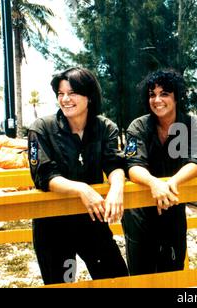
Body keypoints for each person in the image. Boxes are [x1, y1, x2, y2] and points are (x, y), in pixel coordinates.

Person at [28, 67, 128, 284]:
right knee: (62, 282)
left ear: (89, 96)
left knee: (116, 279)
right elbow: (43, 174)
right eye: (61, 94)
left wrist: (117, 188)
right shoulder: (40, 129)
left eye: (72, 93)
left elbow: (114, 163)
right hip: (53, 226)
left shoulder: (105, 127)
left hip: (92, 220)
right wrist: (82, 188)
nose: (65, 99)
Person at [122, 70, 197, 275]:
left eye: (164, 93)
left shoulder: (192, 124)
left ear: (176, 96)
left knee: (173, 271)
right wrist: (154, 183)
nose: (157, 100)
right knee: (142, 275)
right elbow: (133, 165)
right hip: (139, 212)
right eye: (152, 94)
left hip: (173, 205)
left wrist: (171, 183)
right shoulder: (137, 126)